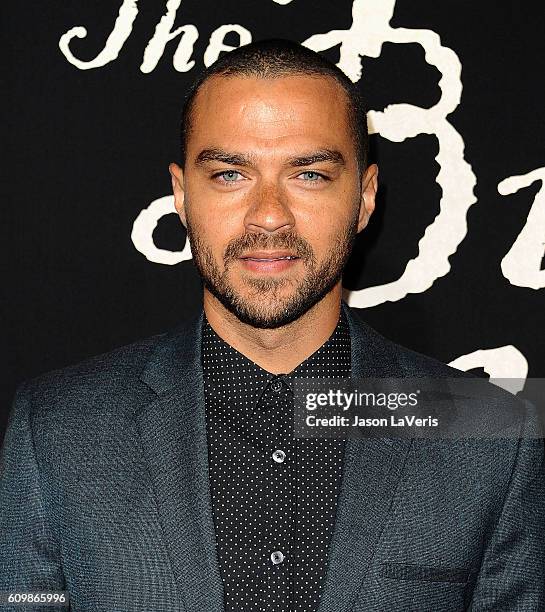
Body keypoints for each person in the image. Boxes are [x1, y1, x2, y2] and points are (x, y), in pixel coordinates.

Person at [0, 38, 543, 612]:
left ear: (364, 197)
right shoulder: (58, 427)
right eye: (230, 174)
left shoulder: (491, 433)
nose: (268, 215)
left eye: (308, 175)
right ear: (182, 196)